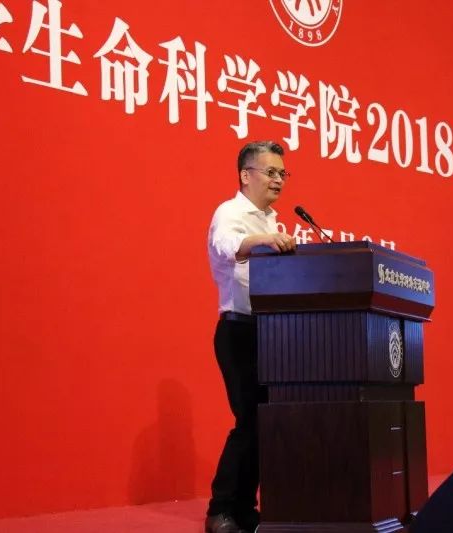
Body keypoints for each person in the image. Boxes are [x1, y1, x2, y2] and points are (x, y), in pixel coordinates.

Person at [205, 141, 296, 533]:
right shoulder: (231, 212)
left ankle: (245, 509)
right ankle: (220, 511)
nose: (278, 180)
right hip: (239, 331)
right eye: (270, 172)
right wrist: (260, 241)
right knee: (248, 421)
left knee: (265, 424)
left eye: (282, 173)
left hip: (269, 332)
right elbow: (226, 246)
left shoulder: (272, 221)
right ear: (246, 175)